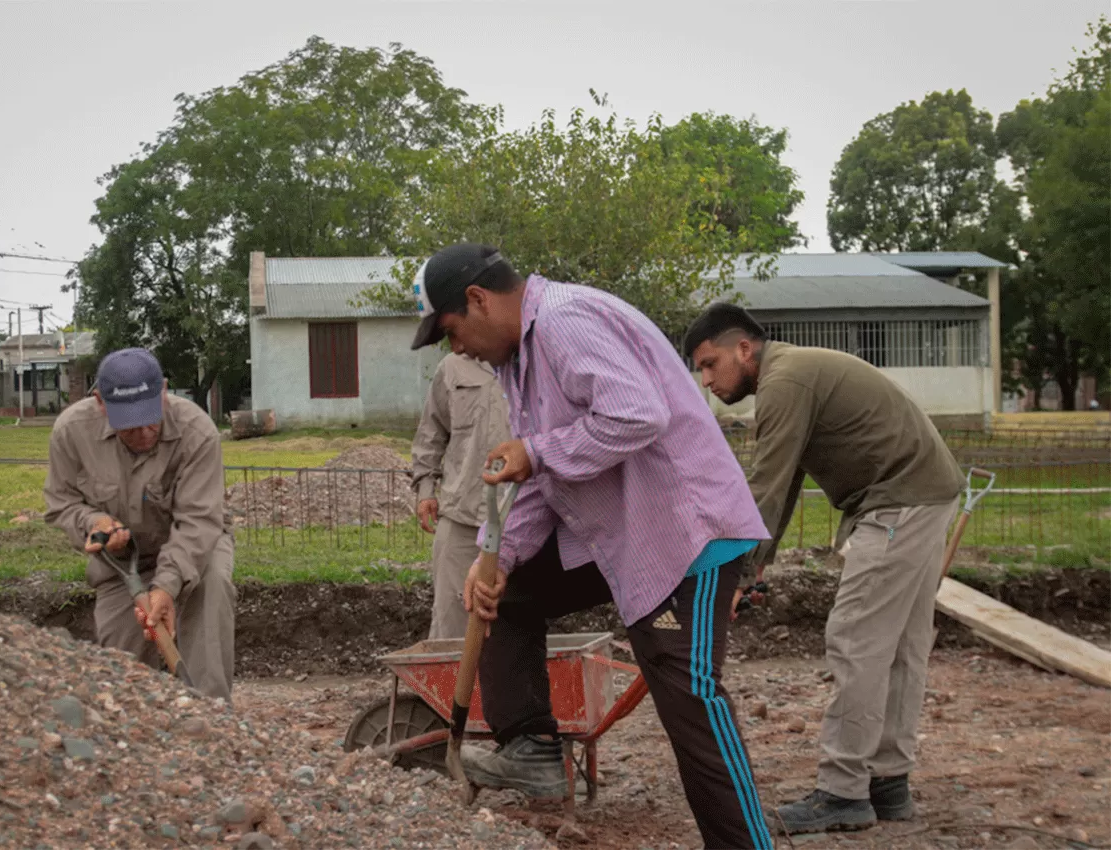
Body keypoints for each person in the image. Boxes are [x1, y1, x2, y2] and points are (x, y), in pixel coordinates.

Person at [410, 242, 775, 850]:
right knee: (509, 587)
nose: (456, 350)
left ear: (477, 300)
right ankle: (531, 745)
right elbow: (536, 474)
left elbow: (636, 416)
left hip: (686, 534)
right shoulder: (519, 361)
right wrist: (491, 556)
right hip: (629, 535)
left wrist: (538, 452)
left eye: (450, 331)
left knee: (692, 707)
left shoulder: (563, 322)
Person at [683, 303, 965, 835]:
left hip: (898, 499)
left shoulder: (785, 383)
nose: (706, 380)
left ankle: (842, 792)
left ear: (743, 349)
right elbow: (783, 485)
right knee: (901, 645)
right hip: (927, 492)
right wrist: (755, 567)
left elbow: (765, 484)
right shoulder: (794, 374)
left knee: (856, 639)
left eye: (708, 363)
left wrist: (735, 577)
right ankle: (888, 781)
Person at [44, 347, 236, 702]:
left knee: (211, 591)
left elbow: (197, 521)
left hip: (196, 547)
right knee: (122, 677)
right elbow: (60, 504)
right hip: (122, 564)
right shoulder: (71, 432)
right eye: (129, 423)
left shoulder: (198, 432)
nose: (145, 431)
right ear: (100, 402)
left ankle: (211, 720)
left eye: (150, 416)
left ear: (163, 391)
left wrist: (165, 587)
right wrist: (93, 522)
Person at [411, 352, 512, 639]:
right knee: (450, 623)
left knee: (516, 628)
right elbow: (431, 432)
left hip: (522, 520)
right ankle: (450, 685)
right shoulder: (452, 367)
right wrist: (426, 489)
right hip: (462, 515)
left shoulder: (529, 362)